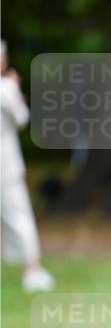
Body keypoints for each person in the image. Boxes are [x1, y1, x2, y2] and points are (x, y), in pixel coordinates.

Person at [0, 39, 55, 293]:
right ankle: (32, 270)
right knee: (19, 214)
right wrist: (14, 90)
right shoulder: (5, 87)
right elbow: (21, 118)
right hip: (6, 164)